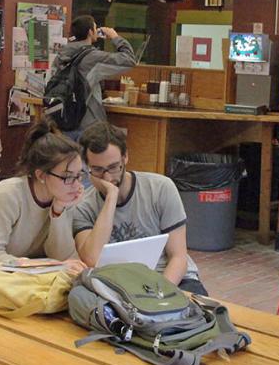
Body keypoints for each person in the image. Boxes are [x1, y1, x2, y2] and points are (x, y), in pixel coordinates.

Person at [72, 122, 207, 295]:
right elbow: (92, 258)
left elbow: (178, 257)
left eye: (114, 167)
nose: (107, 177)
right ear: (87, 167)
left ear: (125, 157)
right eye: (97, 170)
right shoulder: (83, 207)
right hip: (117, 285)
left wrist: (158, 295)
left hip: (170, 279)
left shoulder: (160, 188)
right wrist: (111, 197)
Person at [0, 119, 88, 273]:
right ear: (41, 175)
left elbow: (62, 256)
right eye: (67, 177)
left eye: (79, 175)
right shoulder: (8, 194)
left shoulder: (63, 196)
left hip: (16, 281)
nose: (76, 184)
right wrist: (39, 266)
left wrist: (58, 211)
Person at [53, 15, 137, 138]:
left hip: (61, 123)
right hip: (88, 125)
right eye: (95, 28)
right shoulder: (92, 57)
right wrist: (115, 37)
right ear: (90, 32)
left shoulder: (60, 55)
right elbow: (129, 60)